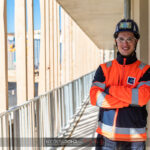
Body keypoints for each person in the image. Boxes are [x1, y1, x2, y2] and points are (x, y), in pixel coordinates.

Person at [90, 19, 150, 150]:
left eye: (130, 39)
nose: (125, 43)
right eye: (121, 39)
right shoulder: (104, 68)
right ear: (116, 41)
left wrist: (110, 90)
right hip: (106, 138)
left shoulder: (145, 70)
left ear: (136, 42)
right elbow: (95, 97)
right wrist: (129, 101)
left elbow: (142, 98)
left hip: (134, 140)